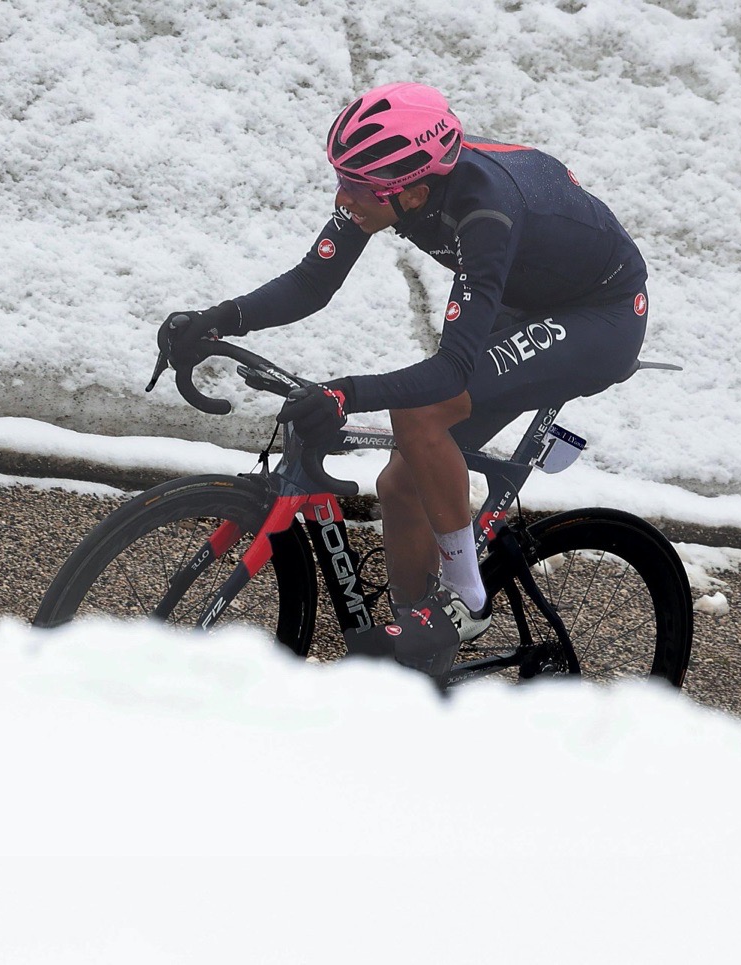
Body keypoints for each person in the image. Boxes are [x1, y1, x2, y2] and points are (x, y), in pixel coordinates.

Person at [157, 83, 650, 680]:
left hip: (602, 315)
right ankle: (415, 657)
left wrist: (345, 393)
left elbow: (450, 371)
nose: (343, 198)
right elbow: (313, 282)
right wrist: (217, 320)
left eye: (357, 188)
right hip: (527, 296)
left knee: (422, 412)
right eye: (341, 179)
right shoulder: (393, 185)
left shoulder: (485, 213)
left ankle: (467, 601)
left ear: (414, 191)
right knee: (401, 482)